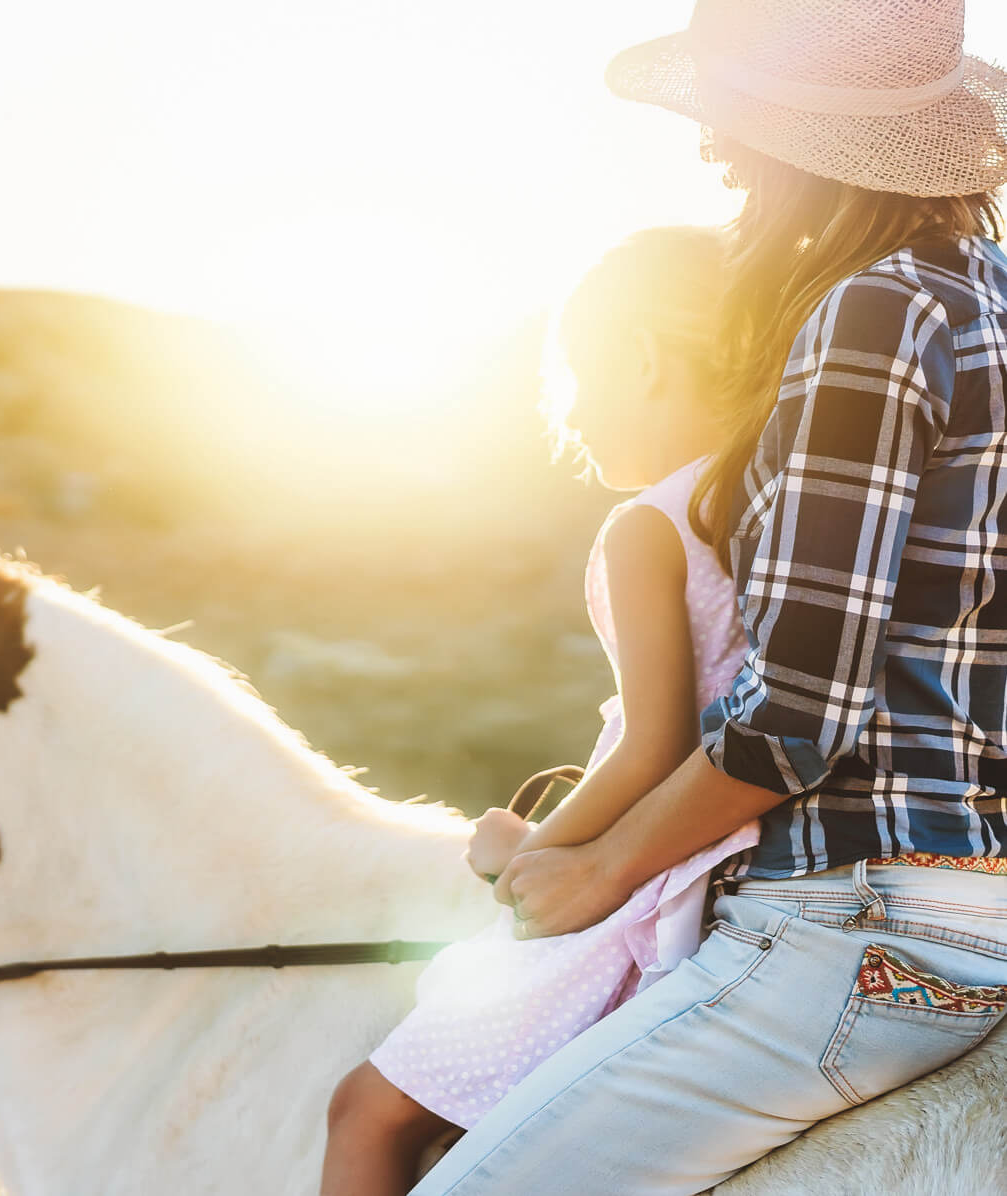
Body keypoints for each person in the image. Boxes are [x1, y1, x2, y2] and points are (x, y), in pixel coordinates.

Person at [405, 1, 1007, 1193]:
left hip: (854, 921)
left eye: (732, 120)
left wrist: (599, 867)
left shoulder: (872, 313)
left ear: (801, 135)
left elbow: (799, 709)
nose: (712, 152)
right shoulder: (986, 296)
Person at [320, 225, 757, 1196]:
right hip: (736, 847)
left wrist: (527, 852)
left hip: (654, 872)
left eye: (574, 381)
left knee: (366, 1111)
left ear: (641, 358)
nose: (570, 416)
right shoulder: (769, 499)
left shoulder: (648, 524)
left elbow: (654, 744)